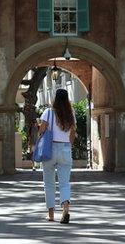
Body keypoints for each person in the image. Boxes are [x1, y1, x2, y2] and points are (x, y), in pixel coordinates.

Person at [38, 88, 76, 223]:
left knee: (49, 183)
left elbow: (41, 130)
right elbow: (72, 134)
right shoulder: (70, 114)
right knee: (64, 183)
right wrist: (68, 145)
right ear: (67, 100)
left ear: (55, 98)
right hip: (65, 149)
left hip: (50, 149)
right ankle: (65, 208)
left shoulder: (48, 113)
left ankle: (51, 214)